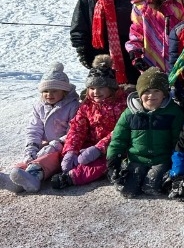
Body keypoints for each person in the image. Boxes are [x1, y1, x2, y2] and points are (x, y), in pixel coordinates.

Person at [50, 56, 128, 190]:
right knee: (61, 152)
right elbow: (77, 128)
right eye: (91, 88)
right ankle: (39, 171)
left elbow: (121, 131)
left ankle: (72, 177)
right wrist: (71, 151)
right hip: (89, 144)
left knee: (103, 163)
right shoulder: (86, 105)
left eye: (101, 87)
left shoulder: (122, 104)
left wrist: (99, 148)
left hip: (112, 146)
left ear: (111, 87)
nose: (95, 92)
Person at [105, 68, 184, 198]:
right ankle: (130, 172)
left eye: (156, 91)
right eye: (146, 91)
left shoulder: (173, 113)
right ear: (140, 93)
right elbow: (118, 140)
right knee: (128, 191)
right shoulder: (130, 113)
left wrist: (176, 164)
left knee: (151, 187)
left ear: (164, 94)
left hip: (161, 159)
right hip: (137, 159)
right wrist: (113, 162)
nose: (151, 95)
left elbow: (178, 140)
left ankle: (159, 178)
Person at [1, 63, 80, 193]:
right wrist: (31, 146)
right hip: (45, 144)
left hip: (65, 147)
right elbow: (34, 128)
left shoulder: (73, 106)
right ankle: (15, 179)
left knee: (47, 159)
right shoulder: (39, 106)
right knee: (31, 158)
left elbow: (73, 131)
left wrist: (56, 144)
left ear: (64, 91)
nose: (49, 94)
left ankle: (34, 178)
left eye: (54, 90)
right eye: (45, 91)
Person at [70, 0, 138, 84]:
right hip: (97, 53)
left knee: (129, 87)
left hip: (126, 53)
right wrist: (82, 51)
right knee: (102, 88)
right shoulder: (86, 0)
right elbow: (79, 27)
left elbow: (139, 26)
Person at [126, 0, 184, 73]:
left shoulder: (180, 6)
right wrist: (135, 54)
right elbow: (136, 33)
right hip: (150, 63)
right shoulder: (141, 7)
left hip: (177, 62)